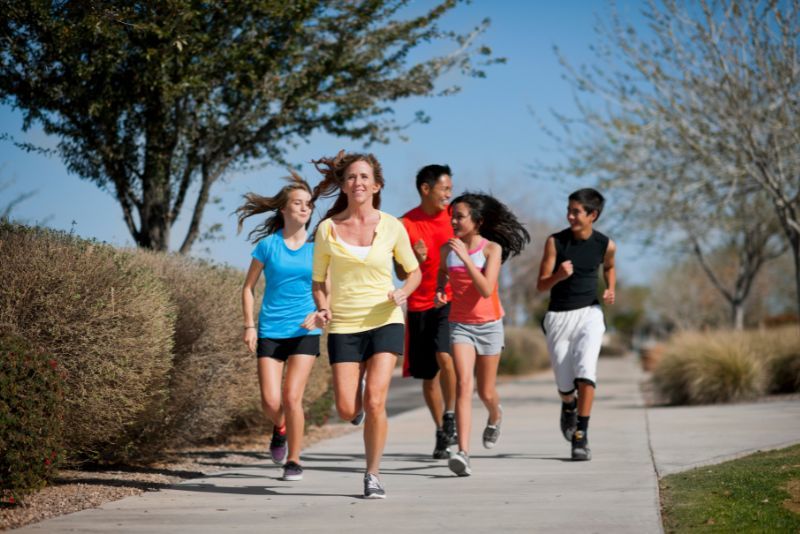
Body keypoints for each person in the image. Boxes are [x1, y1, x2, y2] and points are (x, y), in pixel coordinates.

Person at [302, 150, 421, 499]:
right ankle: (355, 411)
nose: (358, 182)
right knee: (346, 408)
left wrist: (403, 293)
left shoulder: (391, 225)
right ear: (343, 184)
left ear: (376, 185)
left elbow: (414, 272)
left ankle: (373, 474)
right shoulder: (327, 229)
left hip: (385, 319)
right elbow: (318, 281)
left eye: (365, 177)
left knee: (375, 401)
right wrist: (323, 307)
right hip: (344, 325)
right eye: (352, 176)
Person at [436, 192, 529, 476]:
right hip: (460, 323)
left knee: (486, 391)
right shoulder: (447, 249)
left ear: (477, 221)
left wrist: (465, 258)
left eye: (460, 216)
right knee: (464, 385)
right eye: (452, 216)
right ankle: (463, 453)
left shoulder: (491, 250)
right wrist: (441, 290)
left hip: (489, 325)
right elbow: (442, 273)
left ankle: (495, 414)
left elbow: (486, 289)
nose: (453, 221)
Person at [238, 173, 322, 482]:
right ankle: (280, 428)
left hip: (305, 330)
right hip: (270, 329)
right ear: (283, 210)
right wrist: (249, 326)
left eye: (308, 204)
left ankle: (295, 460)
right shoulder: (268, 246)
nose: (304, 208)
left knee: (291, 397)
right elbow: (248, 288)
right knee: (271, 402)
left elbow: (329, 287)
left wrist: (322, 312)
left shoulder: (318, 248)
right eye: (297, 203)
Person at [536, 188, 616, 461]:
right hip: (558, 317)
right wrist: (558, 275)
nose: (569, 215)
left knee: (586, 370)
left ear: (593, 215)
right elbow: (540, 285)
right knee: (564, 383)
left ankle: (581, 435)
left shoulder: (605, 244)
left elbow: (609, 266)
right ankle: (568, 405)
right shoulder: (555, 242)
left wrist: (611, 288)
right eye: (569, 210)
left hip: (590, 313)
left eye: (576, 212)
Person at [396, 164, 458, 460]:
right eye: (445, 189)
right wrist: (414, 259)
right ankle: (441, 431)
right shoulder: (405, 224)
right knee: (428, 377)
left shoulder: (455, 219)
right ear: (426, 189)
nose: (449, 194)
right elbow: (398, 270)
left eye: (450, 188)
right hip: (418, 305)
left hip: (447, 302)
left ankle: (451, 415)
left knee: (445, 356)